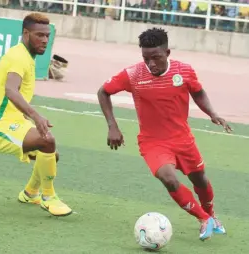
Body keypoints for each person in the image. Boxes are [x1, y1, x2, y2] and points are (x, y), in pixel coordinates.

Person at [97, 27, 232, 241]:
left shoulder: (184, 71)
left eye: (156, 57)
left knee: (200, 180)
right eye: (146, 58)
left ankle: (212, 215)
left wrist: (212, 113)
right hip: (153, 142)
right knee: (169, 179)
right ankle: (203, 218)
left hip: (183, 139)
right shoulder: (133, 74)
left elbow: (198, 92)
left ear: (167, 53)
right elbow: (103, 91)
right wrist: (112, 125)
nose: (151, 63)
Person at [0, 13, 72, 217]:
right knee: (47, 140)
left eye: (47, 35)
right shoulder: (18, 57)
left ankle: (30, 193)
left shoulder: (26, 57)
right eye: (39, 35)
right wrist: (36, 116)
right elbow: (11, 90)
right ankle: (49, 197)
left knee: (51, 155)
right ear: (26, 33)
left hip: (12, 121)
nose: (45, 40)